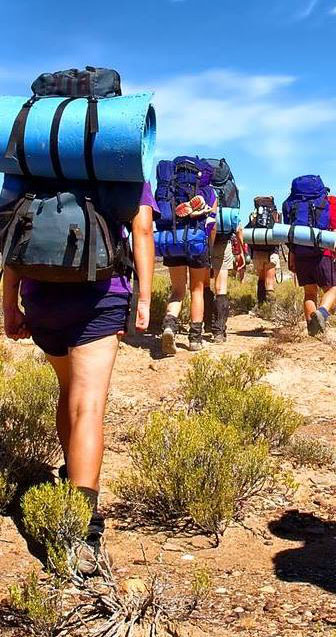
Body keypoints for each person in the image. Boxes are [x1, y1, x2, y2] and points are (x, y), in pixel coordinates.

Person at [2, 183, 156, 574]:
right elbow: (142, 230)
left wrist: (9, 303)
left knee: (68, 389)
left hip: (41, 293)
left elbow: (13, 228)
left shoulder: (35, 156)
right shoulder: (118, 158)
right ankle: (81, 532)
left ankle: (73, 473)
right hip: (101, 293)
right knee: (88, 403)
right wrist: (144, 299)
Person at [160, 163, 218, 355]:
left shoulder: (170, 187)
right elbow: (212, 224)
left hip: (173, 241)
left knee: (177, 290)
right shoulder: (209, 191)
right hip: (196, 242)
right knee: (197, 290)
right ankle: (195, 339)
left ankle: (169, 327)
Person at [286, 183, 336, 337]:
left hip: (300, 254)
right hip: (323, 254)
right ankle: (322, 312)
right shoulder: (328, 203)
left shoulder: (293, 204)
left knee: (309, 293)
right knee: (332, 289)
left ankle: (313, 330)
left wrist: (292, 258)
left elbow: (290, 236)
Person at [206, 222, 246, 343]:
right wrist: (241, 250)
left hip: (201, 242)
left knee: (203, 285)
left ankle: (205, 324)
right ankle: (218, 331)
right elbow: (239, 229)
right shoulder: (229, 202)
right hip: (223, 245)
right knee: (221, 288)